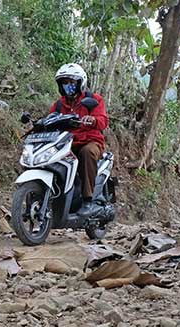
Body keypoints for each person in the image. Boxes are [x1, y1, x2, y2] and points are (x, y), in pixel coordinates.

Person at [49, 63, 109, 217]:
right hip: (66, 144)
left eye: (71, 82)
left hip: (90, 141)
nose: (68, 86)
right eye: (64, 82)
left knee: (87, 153)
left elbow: (103, 120)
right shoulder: (58, 105)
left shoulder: (93, 100)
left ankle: (88, 200)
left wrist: (93, 120)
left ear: (80, 83)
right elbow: (49, 120)